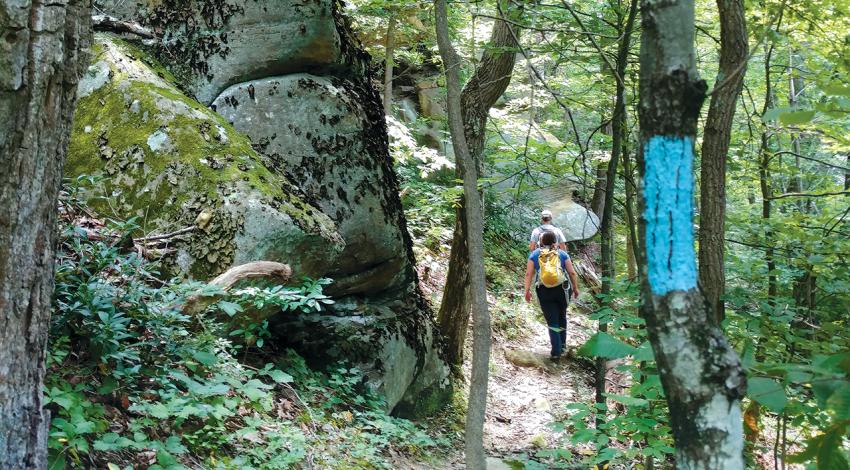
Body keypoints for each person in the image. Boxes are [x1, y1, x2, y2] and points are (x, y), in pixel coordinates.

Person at [524, 231, 580, 361]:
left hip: (544, 291)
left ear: (541, 242)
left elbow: (528, 274)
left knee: (552, 320)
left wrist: (527, 290)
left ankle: (556, 352)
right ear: (555, 242)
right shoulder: (562, 254)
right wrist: (576, 288)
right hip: (562, 289)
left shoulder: (534, 254)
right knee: (562, 316)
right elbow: (572, 273)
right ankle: (563, 346)